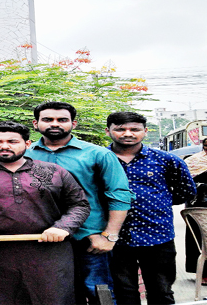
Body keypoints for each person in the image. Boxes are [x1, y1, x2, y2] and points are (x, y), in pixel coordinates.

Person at [0, 122, 90, 305]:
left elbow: (79, 205)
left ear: (28, 143)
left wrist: (63, 227)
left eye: (12, 141)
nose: (4, 146)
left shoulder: (54, 171)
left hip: (49, 253)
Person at [25, 101, 134, 304]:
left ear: (73, 124)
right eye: (47, 119)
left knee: (98, 291)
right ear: (35, 123)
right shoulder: (25, 155)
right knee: (55, 293)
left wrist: (109, 237)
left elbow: (119, 195)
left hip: (89, 238)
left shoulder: (98, 154)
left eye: (62, 120)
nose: (55, 124)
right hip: (41, 239)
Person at [105, 111, 195, 304]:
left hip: (158, 236)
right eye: (120, 129)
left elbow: (186, 190)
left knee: (161, 292)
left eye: (134, 129)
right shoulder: (99, 159)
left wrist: (157, 203)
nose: (127, 133)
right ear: (108, 131)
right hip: (113, 238)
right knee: (123, 293)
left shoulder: (167, 160)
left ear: (145, 131)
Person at [186, 137, 207, 282]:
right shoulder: (193, 161)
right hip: (199, 204)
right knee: (201, 238)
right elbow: (186, 184)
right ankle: (203, 274)